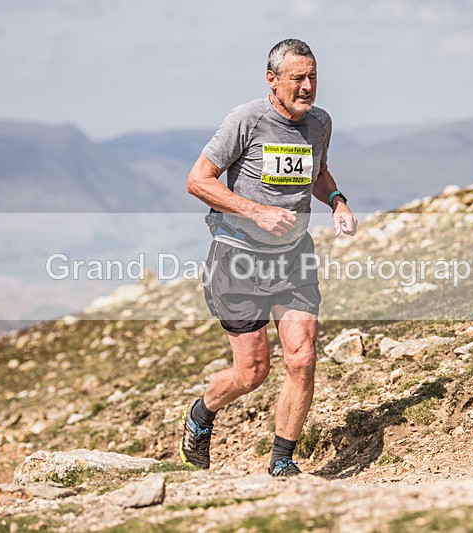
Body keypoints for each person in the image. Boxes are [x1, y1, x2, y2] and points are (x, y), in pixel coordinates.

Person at [181, 38, 357, 477]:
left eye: (313, 77)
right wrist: (256, 212)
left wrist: (336, 201)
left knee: (302, 357)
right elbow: (198, 180)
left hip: (293, 258)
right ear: (272, 80)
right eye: (297, 78)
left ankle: (282, 460)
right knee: (252, 372)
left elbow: (318, 172)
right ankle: (202, 412)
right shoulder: (245, 120)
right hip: (238, 259)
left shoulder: (319, 123)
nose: (307, 86)